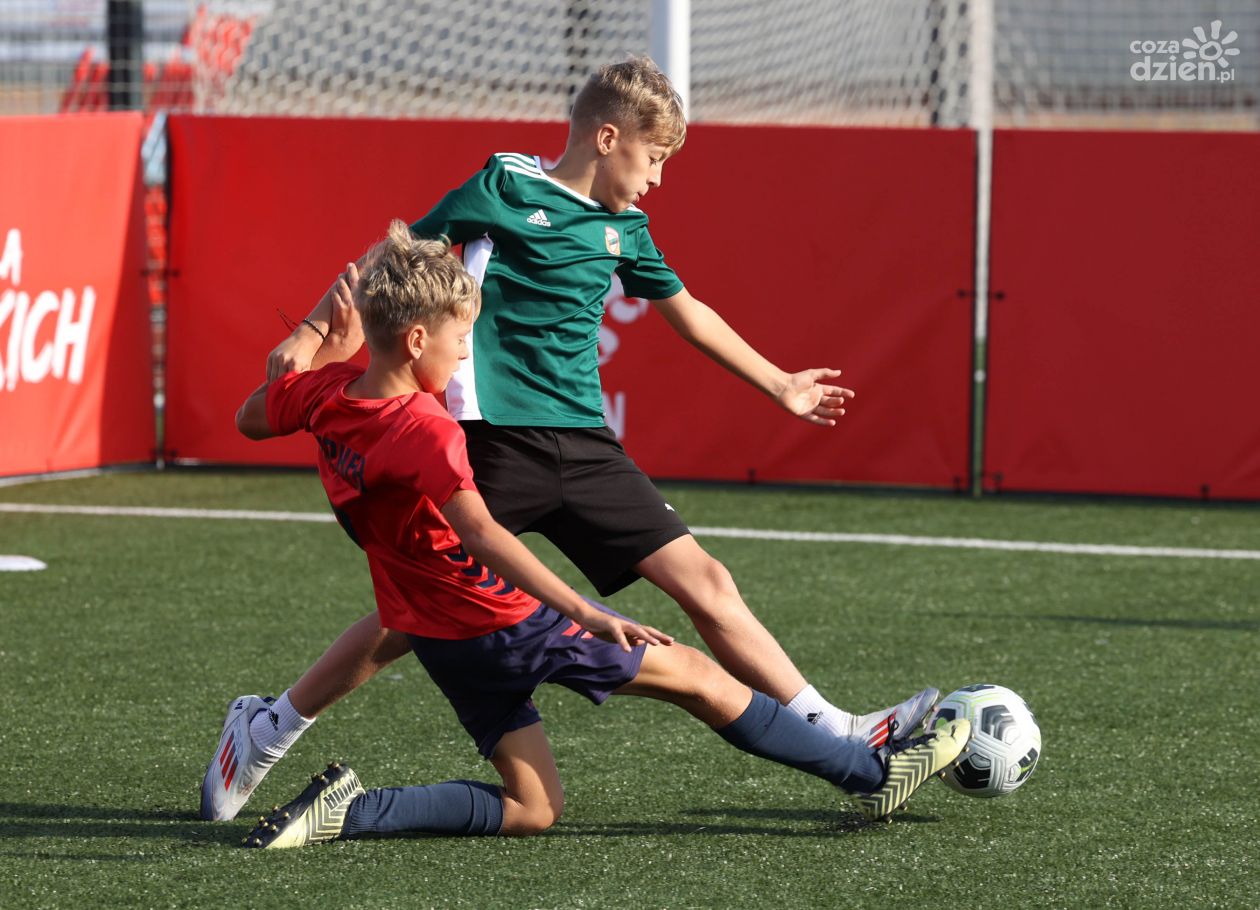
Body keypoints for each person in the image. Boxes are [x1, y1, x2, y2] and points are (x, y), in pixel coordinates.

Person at [201, 56, 939, 824]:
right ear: (607, 137)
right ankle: (270, 727)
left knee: (706, 580)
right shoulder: (506, 184)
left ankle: (835, 727)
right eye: (653, 158)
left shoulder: (627, 230)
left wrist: (779, 382)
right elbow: (393, 261)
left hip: (586, 448)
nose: (657, 178)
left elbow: (688, 311)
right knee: (415, 610)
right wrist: (314, 331)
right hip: (492, 441)